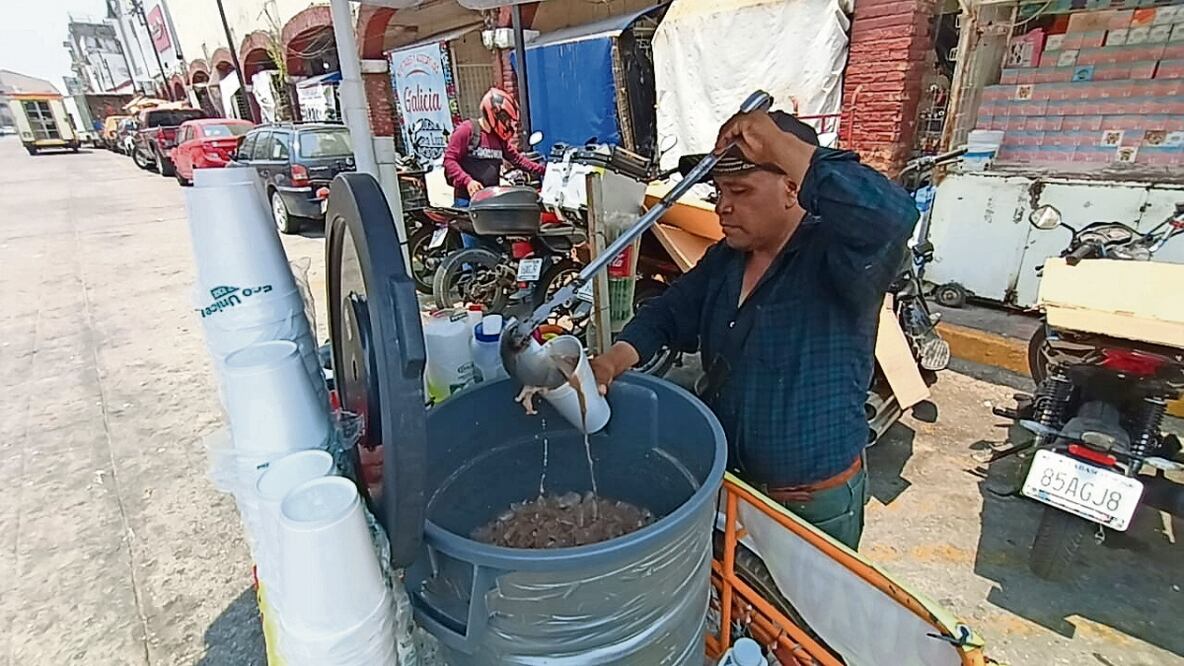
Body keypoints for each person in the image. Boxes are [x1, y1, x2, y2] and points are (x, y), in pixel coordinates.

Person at [589, 110, 919, 550]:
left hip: (810, 507)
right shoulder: (727, 258)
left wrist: (782, 145)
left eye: (740, 190)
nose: (723, 205)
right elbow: (670, 311)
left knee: (803, 618)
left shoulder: (838, 259)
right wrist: (613, 361)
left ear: (791, 189)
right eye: (719, 191)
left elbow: (892, 217)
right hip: (732, 487)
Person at [442, 87, 546, 208]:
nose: (508, 125)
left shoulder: (498, 138)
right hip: (467, 200)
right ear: (495, 114)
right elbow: (449, 160)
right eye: (506, 120)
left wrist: (545, 170)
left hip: (491, 200)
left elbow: (518, 160)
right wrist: (468, 181)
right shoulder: (467, 130)